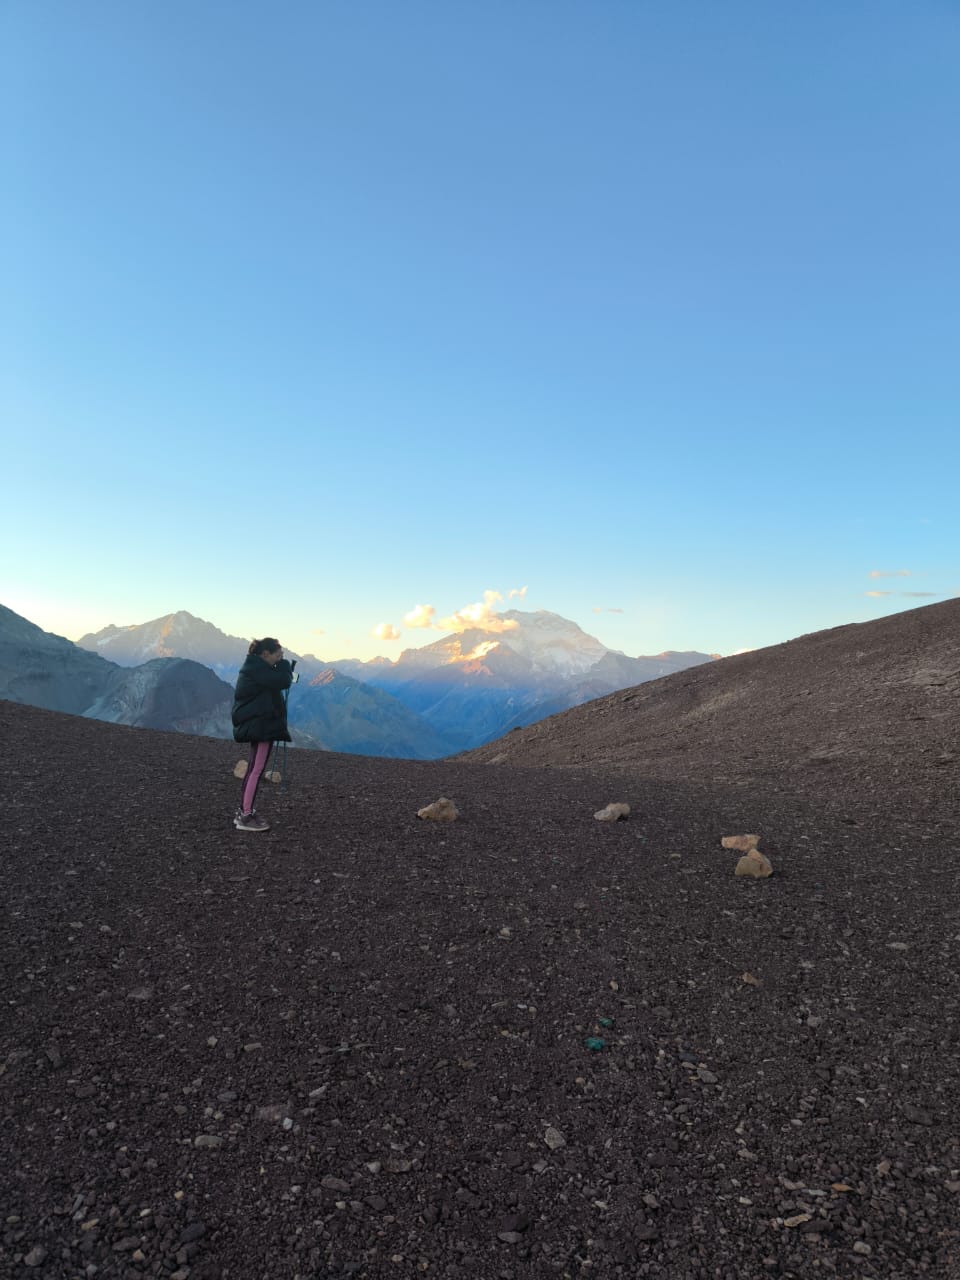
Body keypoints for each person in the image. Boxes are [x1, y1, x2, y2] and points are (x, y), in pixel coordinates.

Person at [231, 637, 294, 831]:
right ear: (265, 654)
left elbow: (277, 682)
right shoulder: (258, 669)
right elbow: (283, 680)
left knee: (252, 769)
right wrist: (285, 665)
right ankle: (246, 816)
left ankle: (244, 810)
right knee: (256, 770)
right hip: (261, 727)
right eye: (278, 654)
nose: (280, 658)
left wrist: (280, 663)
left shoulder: (255, 668)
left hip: (259, 724)